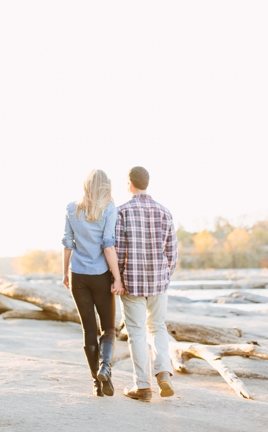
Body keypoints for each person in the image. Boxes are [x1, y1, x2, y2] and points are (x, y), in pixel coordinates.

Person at [116, 166, 179, 402]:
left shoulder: (122, 212)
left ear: (130, 183)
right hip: (158, 284)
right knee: (158, 328)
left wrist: (118, 280)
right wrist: (164, 277)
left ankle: (142, 386)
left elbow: (119, 251)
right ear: (147, 183)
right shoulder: (164, 212)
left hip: (131, 284)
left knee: (137, 333)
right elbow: (172, 252)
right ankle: (163, 372)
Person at [62, 169, 124, 397]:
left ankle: (96, 384)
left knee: (88, 330)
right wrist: (117, 278)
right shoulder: (108, 209)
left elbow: (67, 243)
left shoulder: (71, 208)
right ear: (105, 186)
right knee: (108, 328)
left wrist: (65, 273)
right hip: (100, 275)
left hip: (78, 274)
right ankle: (105, 368)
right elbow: (108, 246)